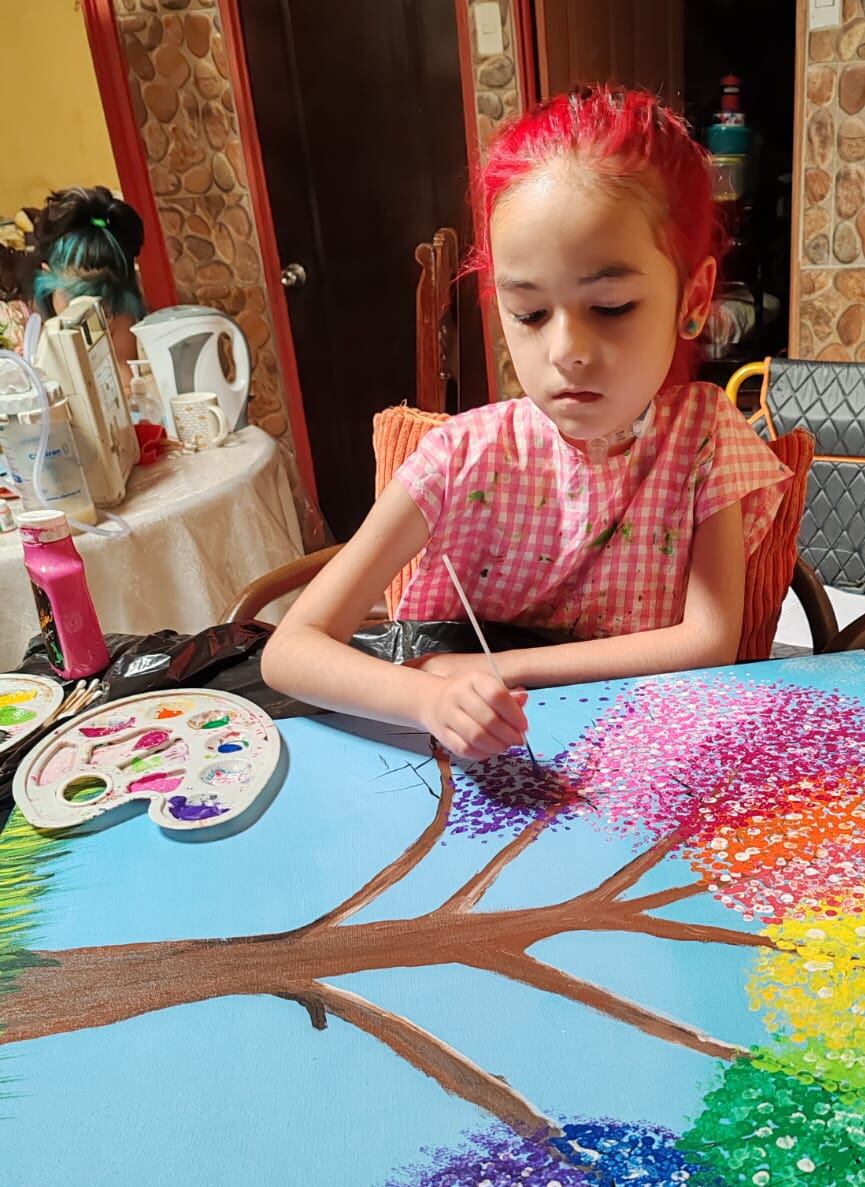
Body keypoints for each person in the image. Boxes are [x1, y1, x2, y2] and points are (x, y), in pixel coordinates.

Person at [262, 86, 790, 760]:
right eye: (530, 313)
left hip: (638, 767)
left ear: (691, 300)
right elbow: (292, 651)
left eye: (612, 306)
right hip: (466, 777)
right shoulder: (459, 456)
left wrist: (502, 670)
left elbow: (707, 641)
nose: (566, 349)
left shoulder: (705, 436)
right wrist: (426, 698)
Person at [33, 187, 146, 382]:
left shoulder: (119, 318)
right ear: (47, 276)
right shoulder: (45, 328)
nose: (89, 317)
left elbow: (126, 380)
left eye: (104, 308)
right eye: (74, 304)